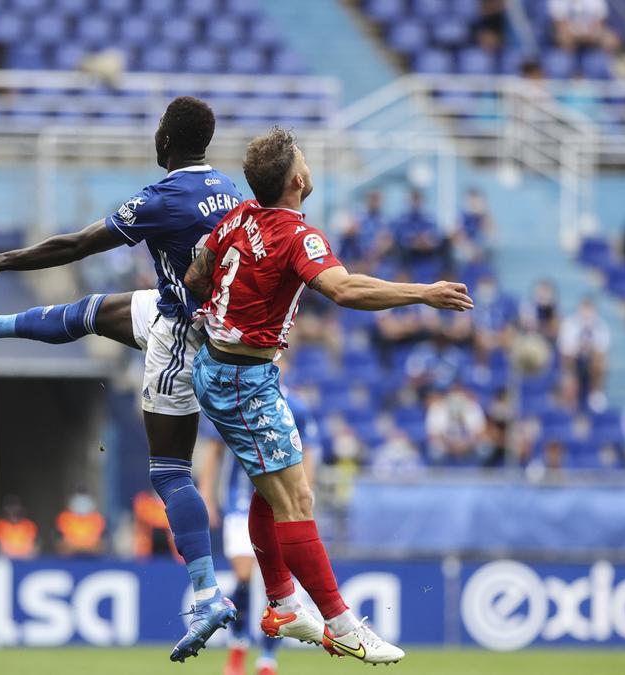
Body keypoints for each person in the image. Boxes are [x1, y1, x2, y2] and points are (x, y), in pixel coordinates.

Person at [0, 96, 243, 661]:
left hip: (184, 335)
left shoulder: (164, 198)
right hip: (198, 318)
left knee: (171, 469)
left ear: (167, 141)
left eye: (157, 128)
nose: (154, 135)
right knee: (92, 313)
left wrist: (2, 261)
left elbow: (77, 244)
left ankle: (206, 593)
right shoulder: (231, 191)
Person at [183, 127, 473, 664]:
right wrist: (423, 294)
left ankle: (283, 603)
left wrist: (232, 306)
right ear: (297, 178)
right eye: (304, 158)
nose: (309, 163)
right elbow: (343, 289)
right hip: (243, 381)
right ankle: (340, 624)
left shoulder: (238, 218)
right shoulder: (299, 236)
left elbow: (197, 277)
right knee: (298, 500)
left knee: (271, 492)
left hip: (229, 370)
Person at [198, 388, 320, 675]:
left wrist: (305, 499)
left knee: (274, 585)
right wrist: (206, 496)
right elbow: (214, 451)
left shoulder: (296, 407)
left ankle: (267, 660)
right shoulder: (233, 400)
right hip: (239, 503)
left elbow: (309, 454)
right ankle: (238, 645)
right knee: (243, 576)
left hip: (281, 504)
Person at [557, 296, 610, 410]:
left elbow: (602, 349)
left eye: (589, 310)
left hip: (591, 360)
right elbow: (566, 349)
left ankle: (596, 393)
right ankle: (571, 395)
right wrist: (580, 348)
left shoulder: (601, 326)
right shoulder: (569, 324)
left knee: (600, 361)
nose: (587, 313)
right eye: (584, 309)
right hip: (574, 360)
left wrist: (590, 349)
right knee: (568, 359)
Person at [548, 0, 620, 53]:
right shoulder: (558, 2)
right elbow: (560, 28)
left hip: (591, 44)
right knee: (560, 65)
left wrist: (585, 36)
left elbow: (599, 25)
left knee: (610, 41)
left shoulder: (596, 2)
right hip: (567, 47)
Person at [55, 489, 106, 557]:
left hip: (93, 560)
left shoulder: (98, 519)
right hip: (69, 560)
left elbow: (101, 545)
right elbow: (61, 545)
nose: (82, 504)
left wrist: (77, 547)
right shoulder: (64, 518)